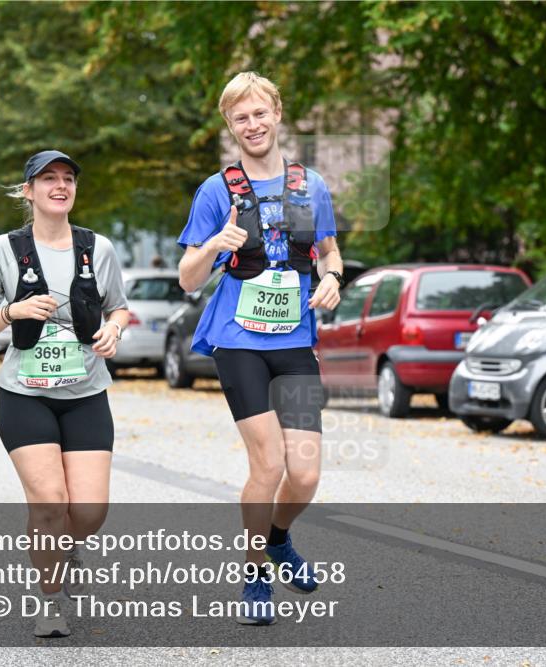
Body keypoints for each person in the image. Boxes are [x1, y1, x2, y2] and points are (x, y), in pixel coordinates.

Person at [177, 72, 343, 625]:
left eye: (259, 113)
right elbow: (186, 277)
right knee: (268, 463)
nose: (252, 125)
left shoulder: (309, 185)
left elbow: (328, 250)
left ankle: (277, 538)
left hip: (295, 337)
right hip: (238, 340)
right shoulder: (216, 191)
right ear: (231, 126)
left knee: (306, 473)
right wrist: (215, 247)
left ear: (277, 114)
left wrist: (334, 278)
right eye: (240, 117)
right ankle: (254, 573)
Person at [0, 150, 129, 637]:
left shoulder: (97, 248)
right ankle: (50, 601)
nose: (60, 186)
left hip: (86, 393)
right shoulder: (4, 249)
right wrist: (12, 313)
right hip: (23, 394)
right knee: (49, 502)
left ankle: (61, 542)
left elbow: (118, 308)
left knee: (88, 512)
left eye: (67, 179)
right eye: (48, 179)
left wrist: (115, 332)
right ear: (29, 191)